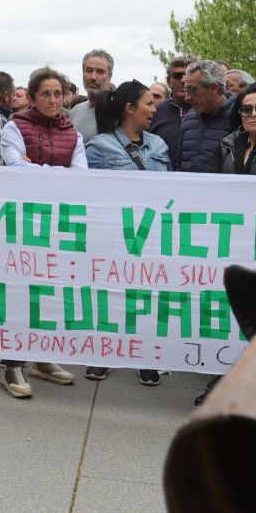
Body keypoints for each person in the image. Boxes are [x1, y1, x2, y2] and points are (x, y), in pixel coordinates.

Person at [0, 66, 81, 398]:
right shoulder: (15, 127)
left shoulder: (74, 133)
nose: (53, 99)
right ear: (31, 98)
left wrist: (37, 169)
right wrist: (52, 172)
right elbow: (15, 168)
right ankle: (12, 364)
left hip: (57, 222)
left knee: (49, 292)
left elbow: (81, 175)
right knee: (19, 291)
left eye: (58, 93)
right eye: (45, 93)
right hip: (22, 222)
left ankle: (42, 358)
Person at [84, 79, 166, 387]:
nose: (154, 109)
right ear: (129, 109)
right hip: (113, 236)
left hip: (151, 234)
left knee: (146, 296)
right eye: (148, 103)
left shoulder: (159, 146)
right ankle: (103, 355)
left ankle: (145, 356)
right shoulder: (99, 147)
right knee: (110, 294)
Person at [177, 60, 236, 172]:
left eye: (192, 90)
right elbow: (179, 163)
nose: (187, 98)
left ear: (214, 88)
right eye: (186, 90)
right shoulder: (189, 118)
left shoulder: (240, 116)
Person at [68, 48, 114, 141]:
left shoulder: (121, 112)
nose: (93, 77)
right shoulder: (75, 111)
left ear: (109, 76)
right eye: (89, 70)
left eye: (100, 71)